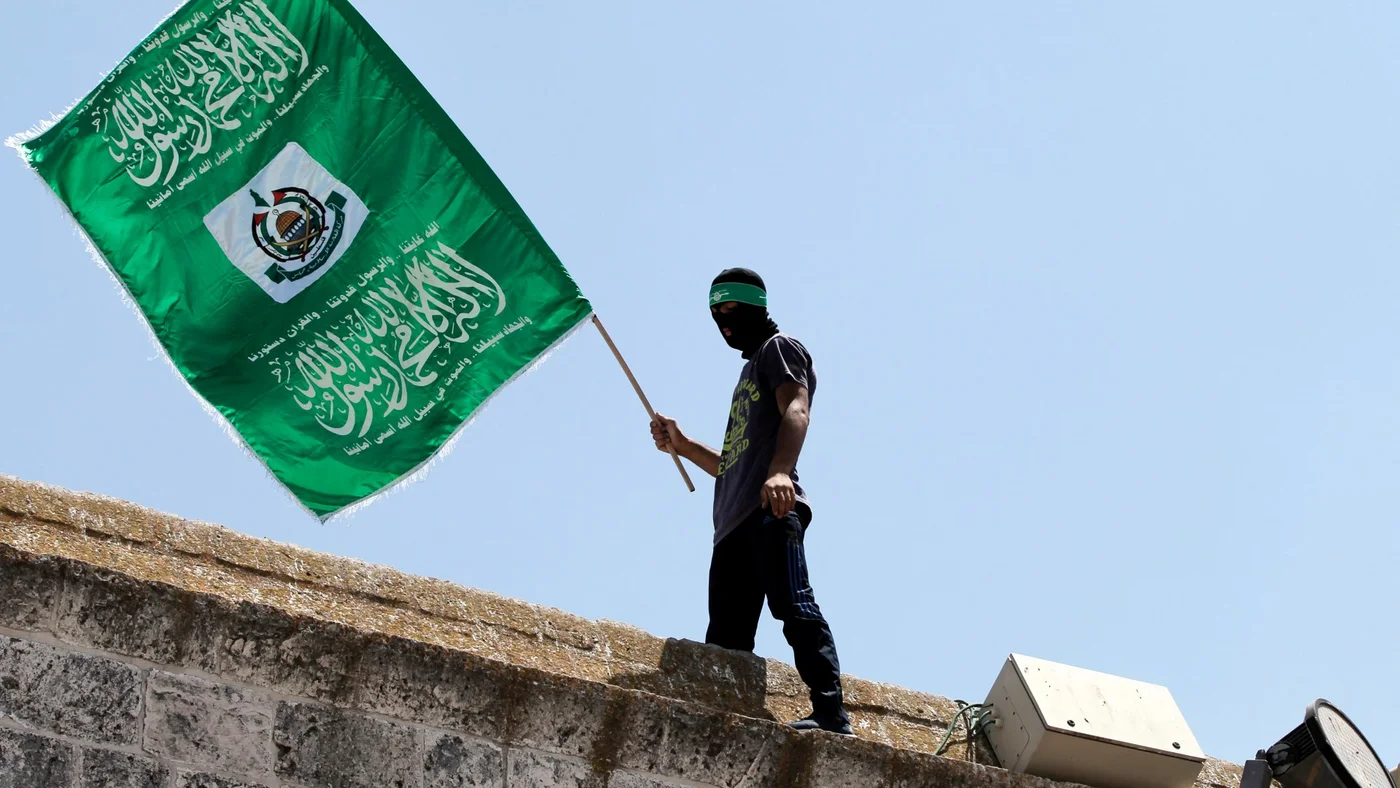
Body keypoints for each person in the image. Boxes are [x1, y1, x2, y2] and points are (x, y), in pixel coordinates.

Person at [649, 268, 851, 735]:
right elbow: (734, 464)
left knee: (793, 606)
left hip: (769, 511)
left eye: (731, 309)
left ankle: (831, 713)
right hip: (732, 526)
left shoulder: (779, 348)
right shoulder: (747, 372)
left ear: (756, 307)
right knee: (725, 641)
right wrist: (683, 445)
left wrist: (780, 471)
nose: (724, 322)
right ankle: (727, 727)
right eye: (715, 313)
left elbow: (797, 408)